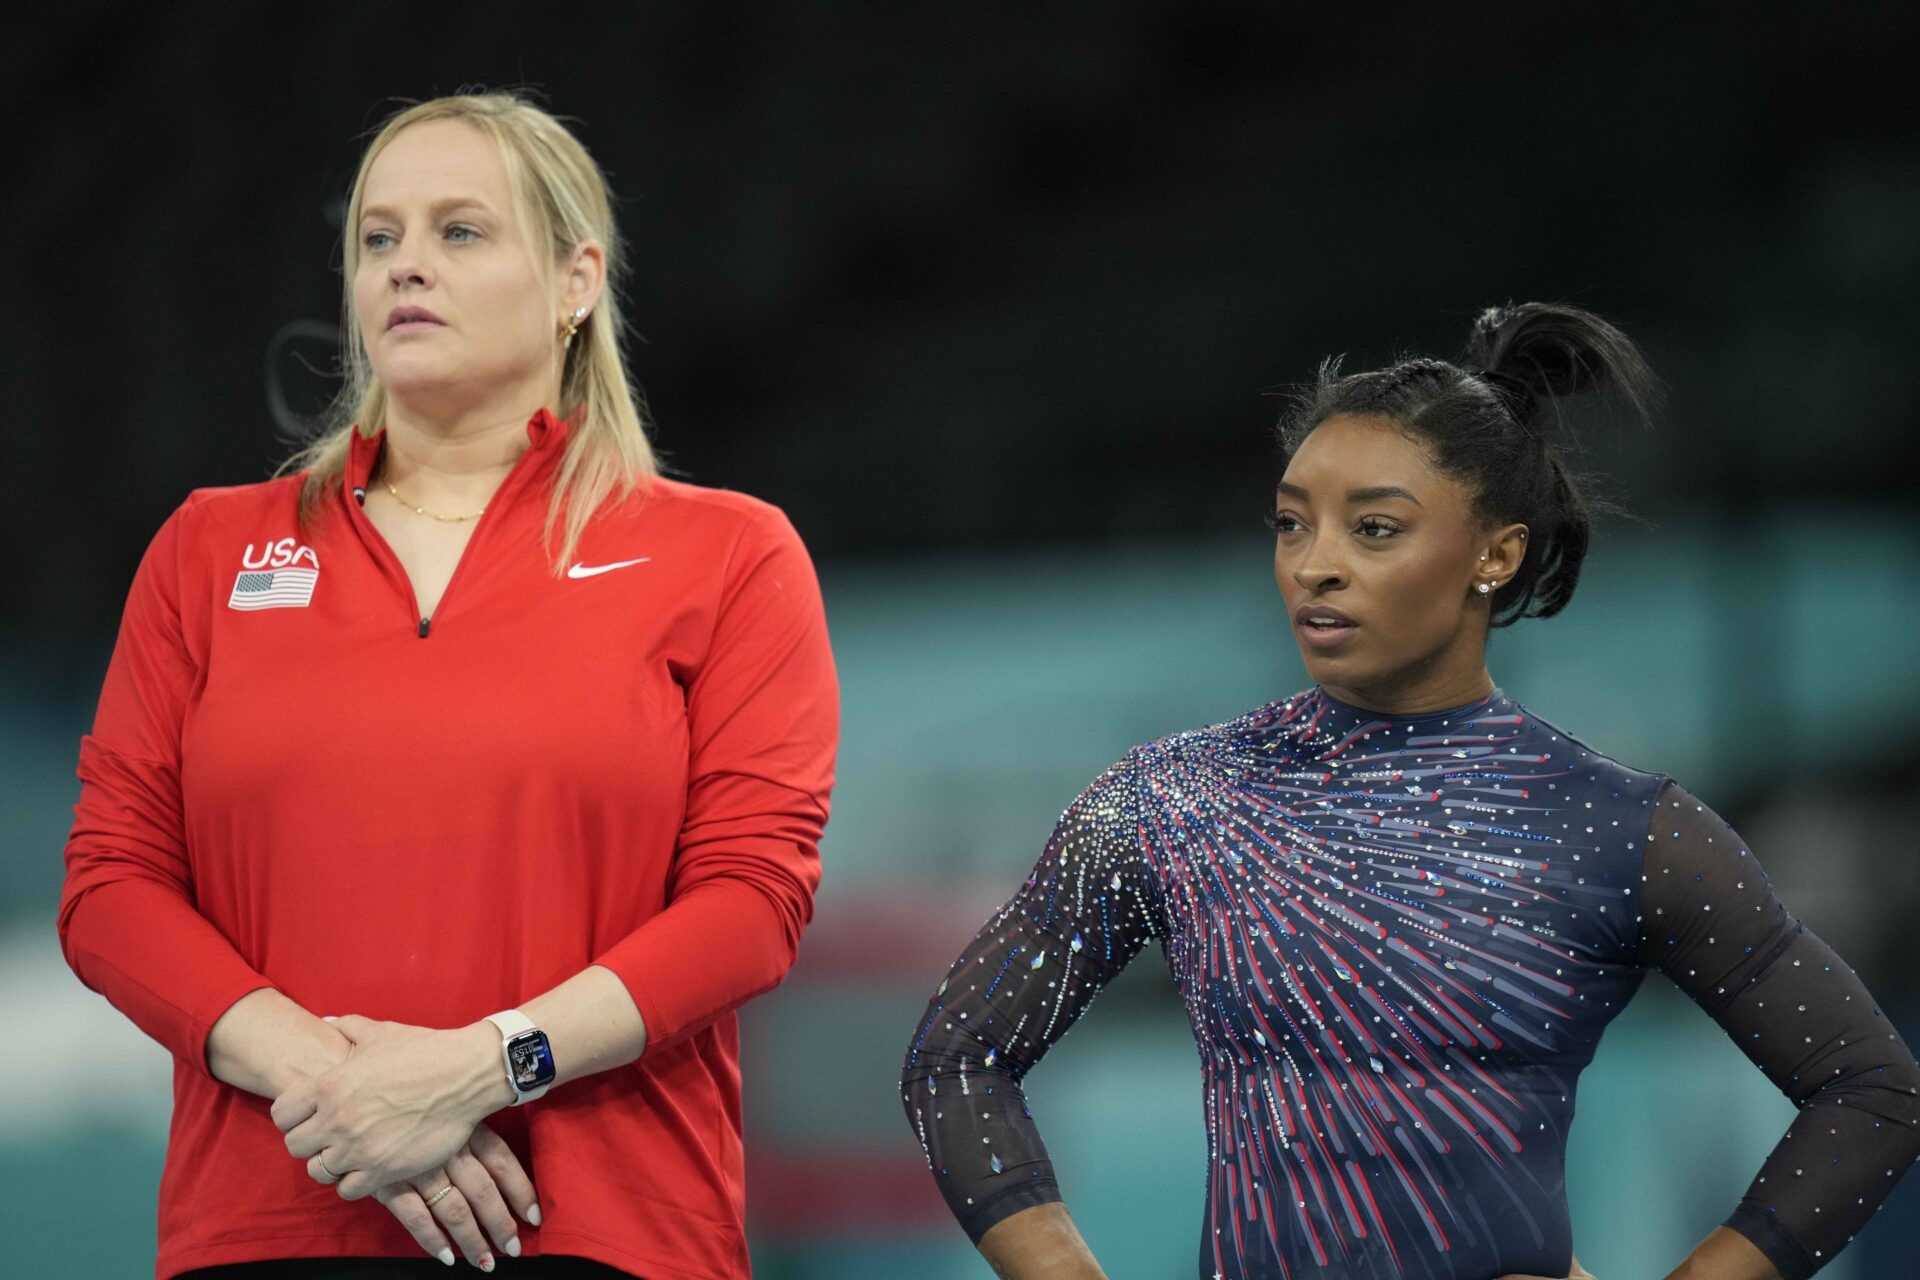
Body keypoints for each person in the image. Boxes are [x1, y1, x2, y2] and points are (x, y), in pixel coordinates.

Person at [900, 302, 1920, 1280]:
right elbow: (955, 1057)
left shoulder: (1618, 825)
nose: (1316, 566)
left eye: (1374, 529)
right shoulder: (1172, 797)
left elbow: (1874, 1091)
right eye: (1292, 524)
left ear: (1495, 552)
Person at [58, 91, 838, 1279]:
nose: (405, 266)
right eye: (380, 238)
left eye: (459, 232)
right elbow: (110, 888)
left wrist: (481, 1067)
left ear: (577, 280)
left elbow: (751, 901)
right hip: (271, 1217)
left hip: (604, 1227)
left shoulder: (727, 552)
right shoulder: (210, 550)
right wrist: (349, 1089)